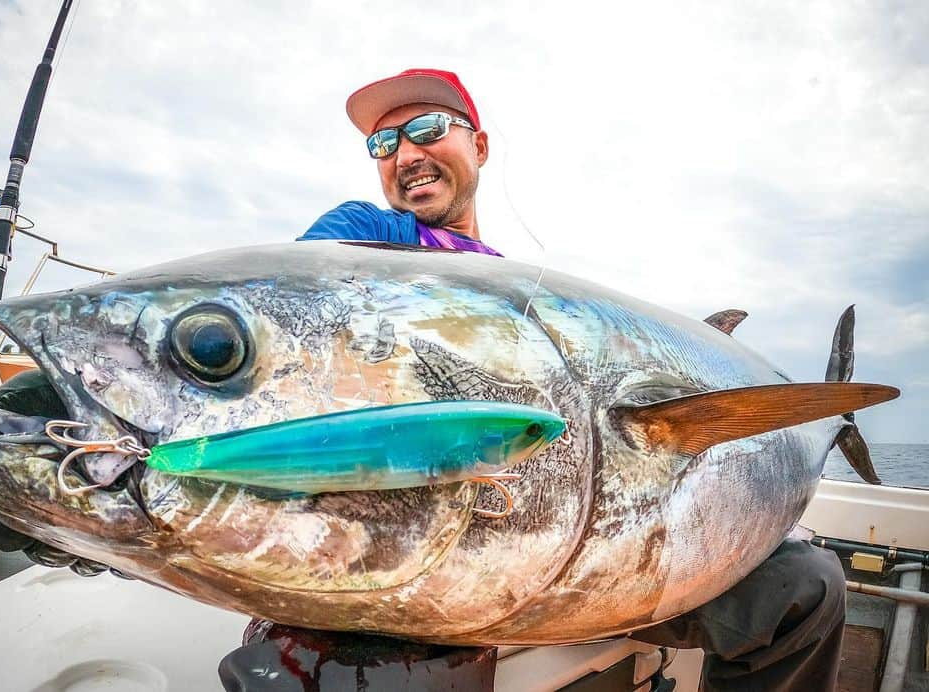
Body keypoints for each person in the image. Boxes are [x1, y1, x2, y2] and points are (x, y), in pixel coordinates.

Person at [291, 68, 847, 692]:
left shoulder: (519, 286)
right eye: (384, 144)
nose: (407, 154)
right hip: (456, 565)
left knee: (807, 588)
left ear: (479, 146)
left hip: (594, 559)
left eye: (425, 128)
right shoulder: (372, 240)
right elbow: (309, 302)